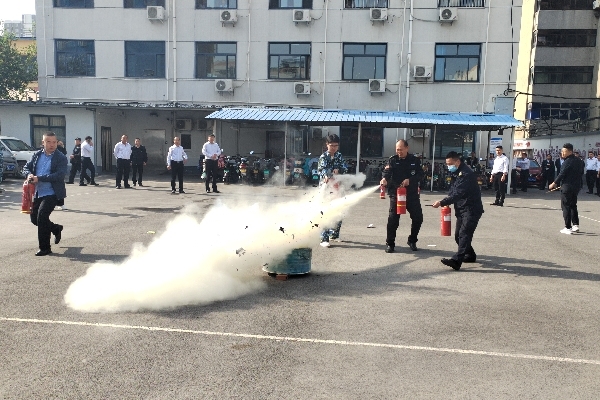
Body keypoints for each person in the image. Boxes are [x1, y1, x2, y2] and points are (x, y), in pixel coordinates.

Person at [432, 151, 483, 271]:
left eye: (450, 164)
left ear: (457, 162)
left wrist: (442, 202)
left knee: (464, 234)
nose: (449, 166)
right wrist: (446, 201)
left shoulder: (466, 174)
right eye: (447, 164)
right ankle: (470, 255)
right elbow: (453, 191)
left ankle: (456, 261)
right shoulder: (457, 173)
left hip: (471, 209)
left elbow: (458, 193)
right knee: (457, 236)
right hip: (461, 208)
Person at [23, 131, 68, 256]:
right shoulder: (37, 155)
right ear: (43, 142)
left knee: (42, 216)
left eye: (54, 142)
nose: (52, 144)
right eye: (48, 142)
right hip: (37, 192)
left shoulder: (60, 157)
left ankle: (45, 248)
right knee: (35, 219)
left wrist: (39, 178)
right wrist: (29, 175)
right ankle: (55, 228)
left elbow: (59, 175)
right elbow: (26, 168)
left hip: (52, 193)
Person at [380, 139, 424, 253]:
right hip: (396, 194)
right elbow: (387, 172)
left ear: (407, 148)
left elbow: (420, 174)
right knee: (393, 219)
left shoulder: (415, 160)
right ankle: (390, 243)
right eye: (397, 149)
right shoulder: (393, 160)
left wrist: (410, 180)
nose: (399, 152)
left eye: (401, 149)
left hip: (411, 194)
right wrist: (384, 179)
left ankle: (412, 240)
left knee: (418, 218)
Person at [318, 134, 347, 248]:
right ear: (327, 145)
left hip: (338, 188)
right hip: (326, 189)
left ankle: (334, 235)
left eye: (336, 145)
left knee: (339, 211)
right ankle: (324, 238)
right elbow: (322, 169)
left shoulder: (339, 156)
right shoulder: (323, 157)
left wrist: (339, 170)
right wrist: (327, 175)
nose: (334, 148)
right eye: (331, 145)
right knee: (326, 213)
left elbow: (345, 168)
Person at [549, 143, 584, 235]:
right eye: (562, 151)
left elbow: (562, 173)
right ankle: (575, 225)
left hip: (567, 186)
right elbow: (581, 172)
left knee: (566, 206)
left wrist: (554, 183)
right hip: (576, 186)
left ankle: (567, 227)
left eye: (564, 151)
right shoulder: (579, 161)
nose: (562, 153)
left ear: (570, 152)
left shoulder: (567, 161)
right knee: (573, 205)